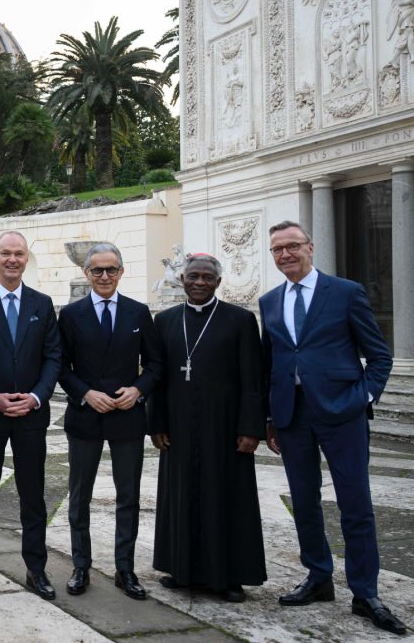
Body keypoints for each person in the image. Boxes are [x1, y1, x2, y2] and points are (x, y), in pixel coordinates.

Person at [260, 221, 406, 635]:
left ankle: (365, 592)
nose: (285, 255)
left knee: (355, 505)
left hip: (343, 414)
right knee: (304, 502)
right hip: (292, 417)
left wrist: (362, 397)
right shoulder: (269, 301)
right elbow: (269, 365)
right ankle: (318, 576)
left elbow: (379, 356)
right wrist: (269, 417)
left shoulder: (345, 293)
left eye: (292, 246)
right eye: (277, 250)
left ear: (311, 246)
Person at [149, 254, 266, 603]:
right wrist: (156, 423)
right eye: (193, 276)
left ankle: (228, 576)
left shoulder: (240, 320)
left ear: (218, 282)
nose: (199, 282)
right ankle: (180, 569)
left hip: (225, 427)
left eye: (207, 277)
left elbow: (252, 380)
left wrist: (251, 427)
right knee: (180, 495)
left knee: (225, 498)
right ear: (181, 279)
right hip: (179, 427)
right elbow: (158, 377)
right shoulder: (166, 320)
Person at [58, 243, 162, 600]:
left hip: (126, 417)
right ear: (87, 274)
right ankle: (80, 566)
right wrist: (86, 394)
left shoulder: (138, 312)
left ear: (121, 272)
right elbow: (60, 366)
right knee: (79, 496)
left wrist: (138, 391)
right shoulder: (70, 315)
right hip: (86, 416)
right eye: (97, 270)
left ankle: (125, 569)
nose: (104, 276)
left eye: (111, 270)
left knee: (128, 497)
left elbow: (155, 364)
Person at [0, 230, 62, 601]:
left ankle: (36, 569)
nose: (12, 259)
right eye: (6, 253)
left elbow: (54, 357)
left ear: (26, 258)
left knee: (33, 495)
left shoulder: (42, 303)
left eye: (19, 253)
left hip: (31, 416)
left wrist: (36, 397)